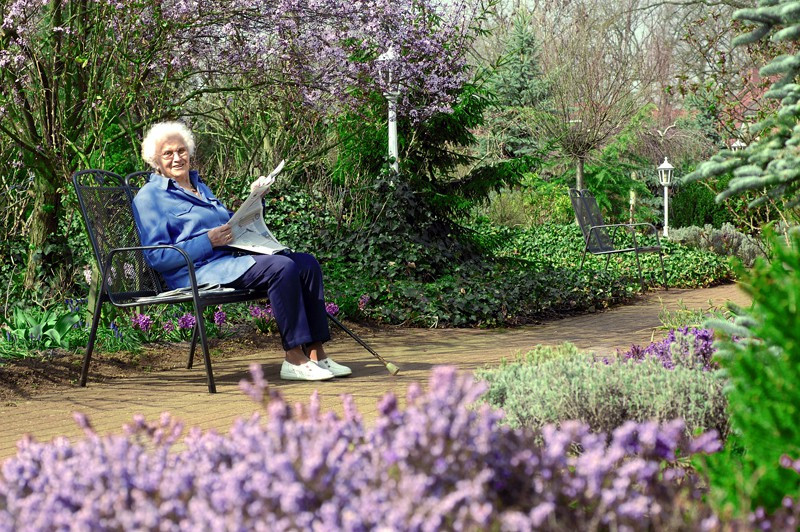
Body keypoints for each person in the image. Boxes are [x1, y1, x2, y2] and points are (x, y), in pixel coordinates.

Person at [132, 121, 351, 381]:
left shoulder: (200, 188)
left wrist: (255, 199)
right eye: (168, 154)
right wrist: (208, 241)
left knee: (306, 264)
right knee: (281, 268)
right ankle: (294, 357)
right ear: (155, 161)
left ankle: (317, 354)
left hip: (228, 261)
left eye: (181, 151)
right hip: (196, 273)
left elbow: (229, 226)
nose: (177, 158)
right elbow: (157, 257)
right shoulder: (149, 198)